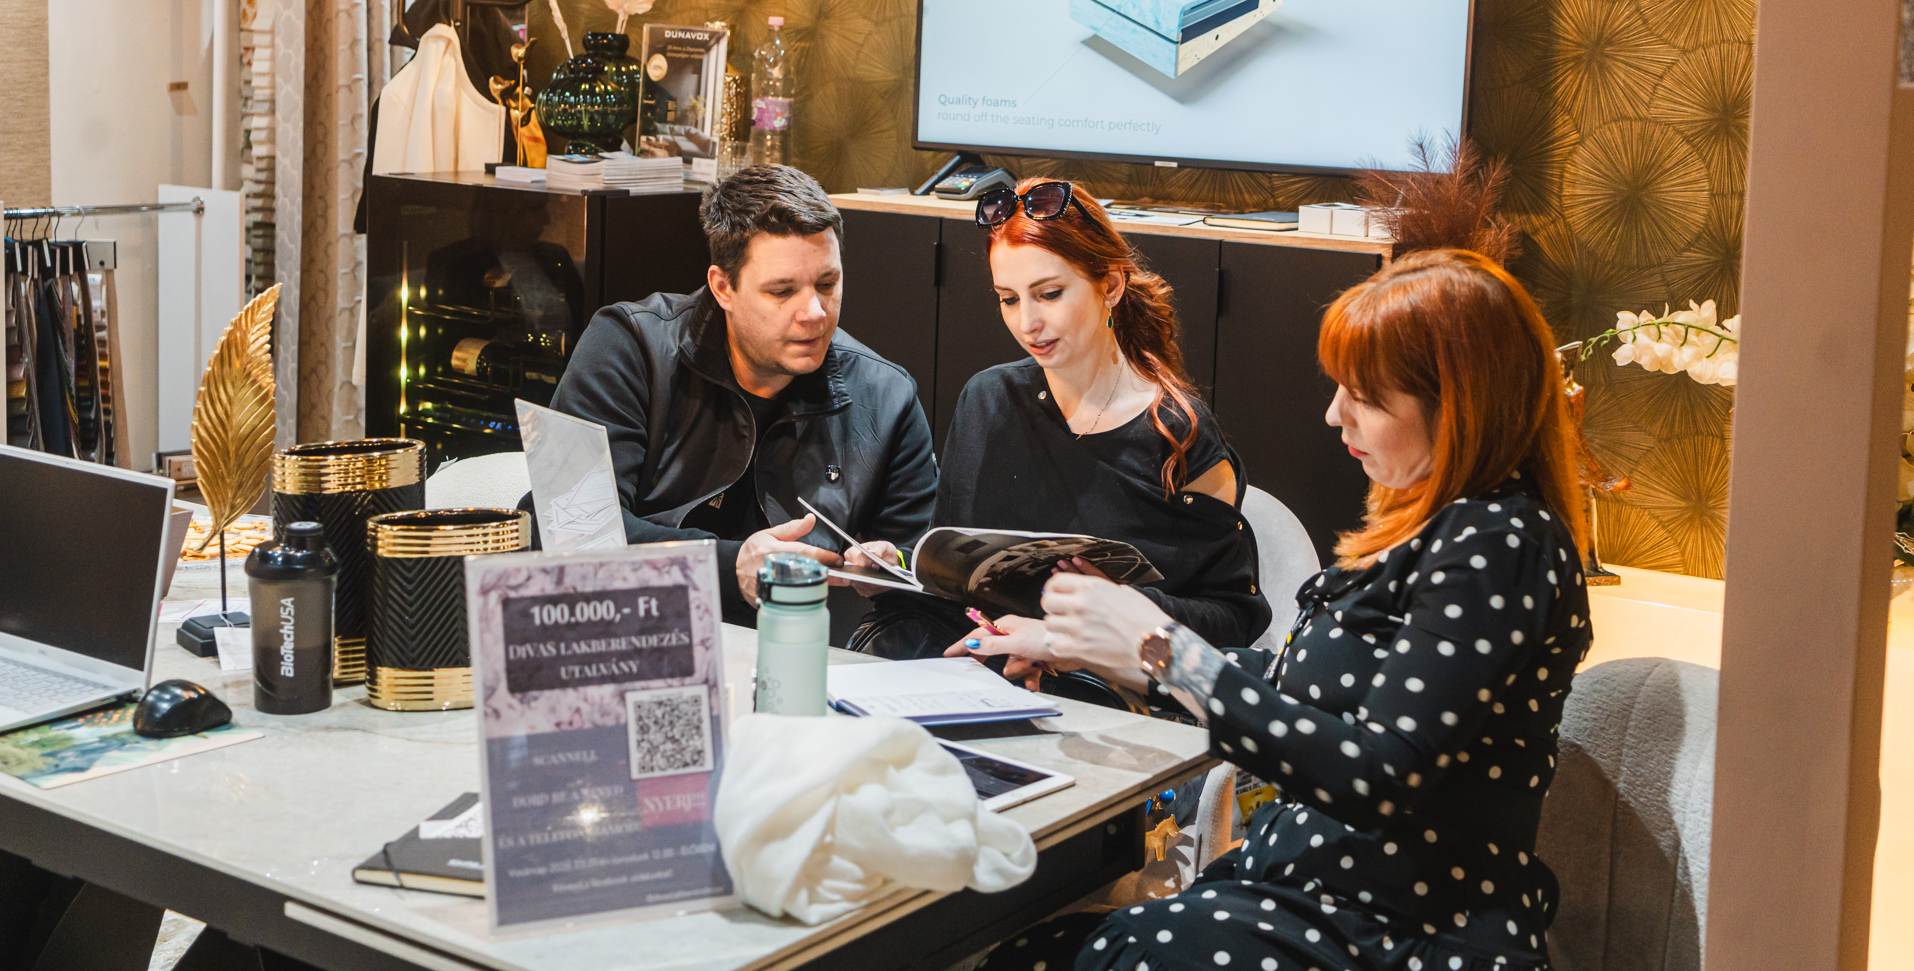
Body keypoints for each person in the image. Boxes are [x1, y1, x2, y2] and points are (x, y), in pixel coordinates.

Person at [974, 248, 1595, 971]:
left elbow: (1378, 773)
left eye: (1365, 397)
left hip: (1399, 929)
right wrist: (1090, 647)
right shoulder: (1434, 530)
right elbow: (1289, 690)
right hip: (1316, 896)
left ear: (1459, 409)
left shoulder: (1499, 542)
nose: (1334, 414)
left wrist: (1163, 649)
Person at [854, 178, 1269, 664]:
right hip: (973, 663)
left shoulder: (1177, 434)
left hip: (1096, 682)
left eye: (1049, 294)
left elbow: (1231, 621)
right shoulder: (988, 399)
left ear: (1110, 285)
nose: (1027, 323)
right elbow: (953, 573)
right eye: (1009, 299)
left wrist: (1118, 612)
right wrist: (898, 565)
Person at [547, 165, 935, 637]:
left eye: (827, 284)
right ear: (723, 287)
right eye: (782, 291)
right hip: (638, 638)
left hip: (811, 655)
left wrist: (894, 566)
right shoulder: (631, 349)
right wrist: (726, 567)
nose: (814, 312)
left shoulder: (887, 396)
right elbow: (565, 527)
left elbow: (922, 572)